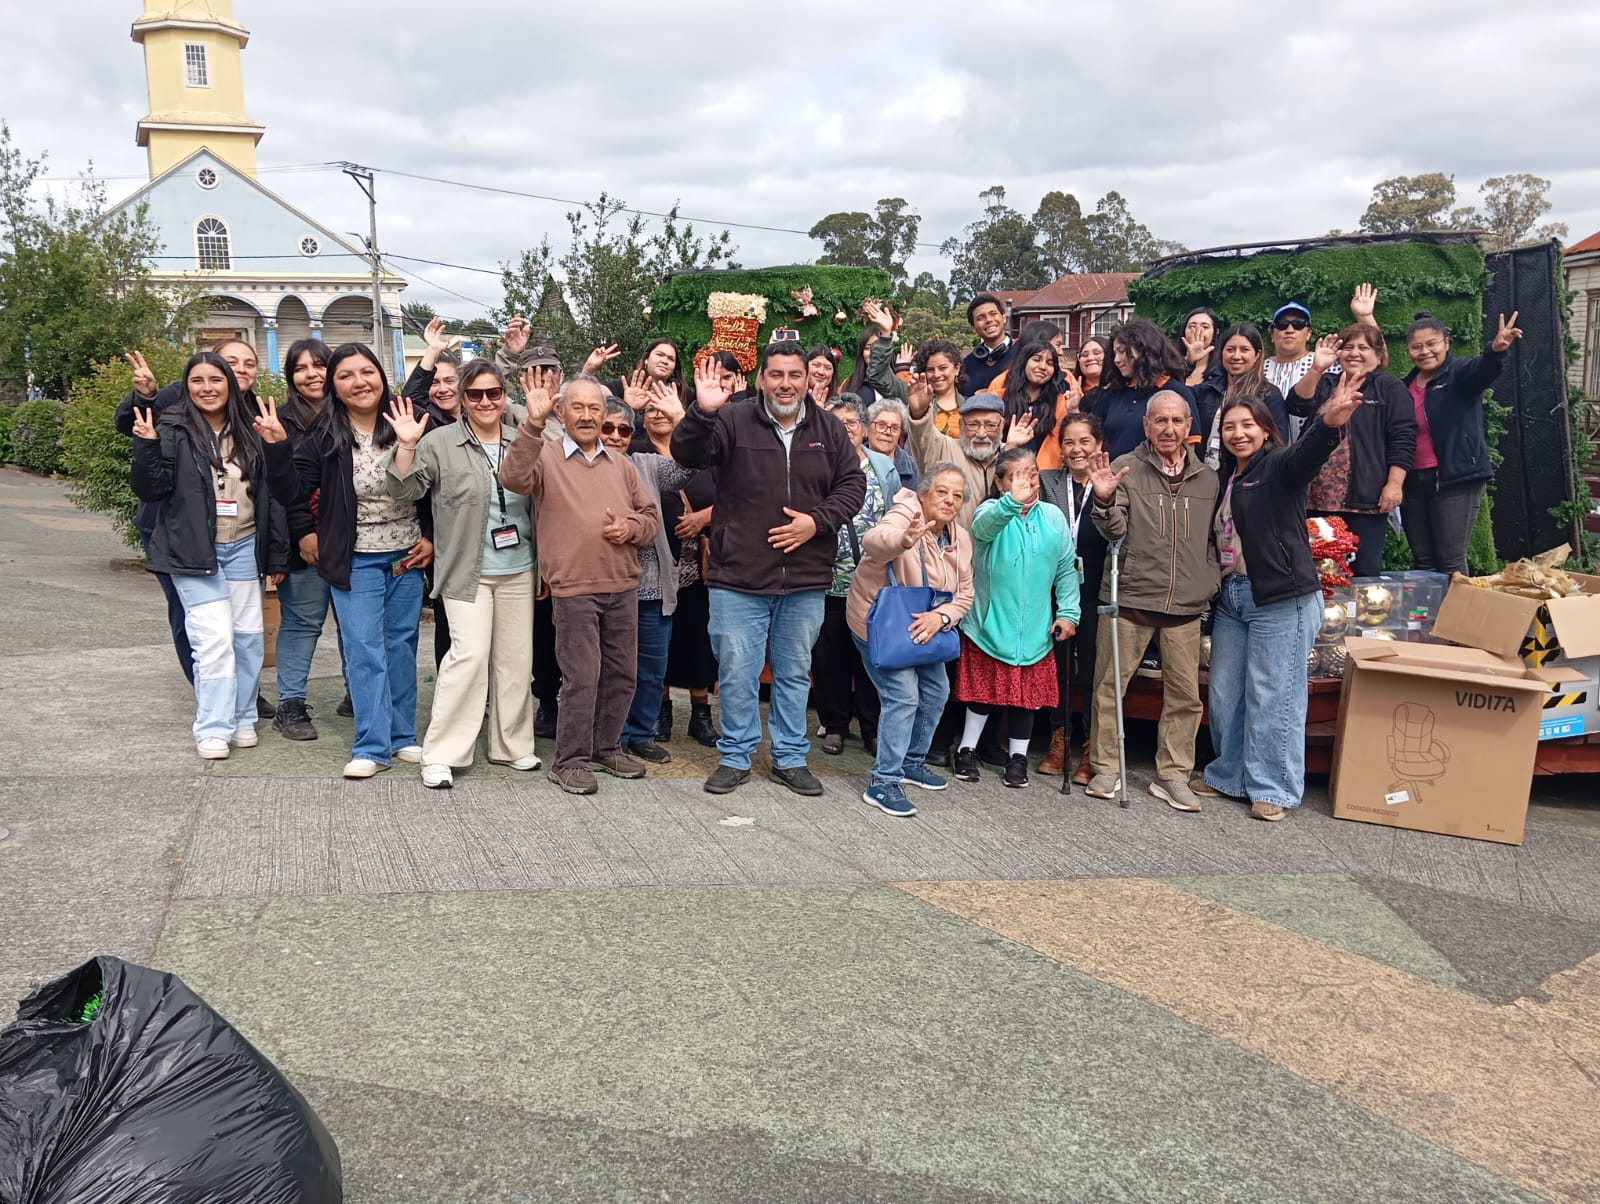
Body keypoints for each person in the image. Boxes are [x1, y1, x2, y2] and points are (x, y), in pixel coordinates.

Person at [671, 347, 866, 796]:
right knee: (737, 670)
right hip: (738, 575)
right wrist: (702, 411)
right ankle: (736, 755)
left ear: (808, 380)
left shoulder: (828, 428)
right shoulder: (733, 420)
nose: (785, 383)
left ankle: (790, 757)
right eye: (775, 374)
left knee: (795, 672)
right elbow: (687, 453)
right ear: (761, 378)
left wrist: (815, 522)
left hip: (804, 579)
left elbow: (852, 484)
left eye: (794, 375)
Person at [260, 343, 433, 779]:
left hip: (407, 556)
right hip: (355, 559)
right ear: (335, 387)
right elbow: (291, 492)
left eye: (367, 372)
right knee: (364, 650)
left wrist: (431, 537)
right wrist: (279, 448)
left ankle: (402, 736)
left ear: (381, 375)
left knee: (401, 647)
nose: (360, 382)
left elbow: (434, 490)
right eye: (346, 375)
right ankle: (372, 746)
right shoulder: (323, 436)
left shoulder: (406, 422)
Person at [1194, 383, 1362, 820]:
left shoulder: (1278, 466)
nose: (1238, 434)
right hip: (1234, 596)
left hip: (1280, 596)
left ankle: (1274, 786)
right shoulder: (1227, 477)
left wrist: (1328, 423)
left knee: (1275, 693)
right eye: (1229, 427)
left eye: (1247, 425)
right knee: (1226, 690)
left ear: (1266, 430)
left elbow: (1305, 455)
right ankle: (1228, 774)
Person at [498, 375, 660, 794]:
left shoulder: (621, 464)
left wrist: (632, 527)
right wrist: (531, 425)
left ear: (605, 414)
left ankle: (606, 747)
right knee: (582, 676)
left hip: (622, 583)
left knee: (622, 673)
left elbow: (651, 518)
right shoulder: (545, 457)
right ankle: (569, 760)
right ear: (561, 412)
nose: (587, 416)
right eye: (578, 407)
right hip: (572, 588)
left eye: (594, 409)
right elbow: (512, 478)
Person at [383, 360, 540, 789]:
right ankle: (443, 752)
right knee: (467, 657)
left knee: (515, 661)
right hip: (465, 567)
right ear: (464, 399)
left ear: (505, 396)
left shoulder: (522, 439)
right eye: (476, 394)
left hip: (518, 567)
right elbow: (404, 490)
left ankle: (512, 745)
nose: (486, 401)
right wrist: (407, 446)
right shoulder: (439, 442)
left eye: (493, 393)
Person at [129, 351, 287, 758]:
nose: (207, 388)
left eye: (215, 380)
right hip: (195, 549)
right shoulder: (172, 427)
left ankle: (244, 715)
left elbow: (275, 495)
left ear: (229, 384)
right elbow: (152, 490)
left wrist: (278, 446)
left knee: (248, 639)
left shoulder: (251, 428)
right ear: (186, 387)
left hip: (244, 547)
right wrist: (146, 448)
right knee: (213, 640)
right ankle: (213, 727)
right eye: (197, 381)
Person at [1084, 391, 1220, 811]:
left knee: (1185, 695)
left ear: (1188, 427)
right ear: (1146, 425)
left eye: (1177, 421)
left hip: (1184, 606)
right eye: (1160, 421)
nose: (1169, 429)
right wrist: (1104, 498)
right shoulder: (1126, 467)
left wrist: (1208, 581)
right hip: (1132, 597)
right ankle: (1105, 765)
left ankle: (1174, 775)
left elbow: (1216, 539)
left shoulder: (1208, 478)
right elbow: (1113, 530)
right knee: (1109, 687)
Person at [846, 465, 975, 816]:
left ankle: (910, 762)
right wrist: (904, 540)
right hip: (879, 623)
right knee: (903, 696)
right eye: (942, 492)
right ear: (924, 492)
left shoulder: (960, 537)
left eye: (957, 496)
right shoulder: (905, 512)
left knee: (936, 692)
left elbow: (965, 594)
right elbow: (876, 541)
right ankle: (883, 782)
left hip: (923, 627)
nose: (950, 501)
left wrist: (941, 617)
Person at [952, 448, 1080, 789]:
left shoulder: (1053, 517)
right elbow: (983, 530)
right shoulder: (990, 510)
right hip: (988, 625)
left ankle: (1018, 758)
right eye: (1018, 476)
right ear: (1000, 481)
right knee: (981, 694)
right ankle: (966, 751)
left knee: (1026, 698)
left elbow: (1067, 570)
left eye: (1033, 475)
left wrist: (1068, 613)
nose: (1028, 483)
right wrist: (1012, 501)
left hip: (1036, 630)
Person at [600, 390, 700, 764]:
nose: (614, 436)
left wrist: (682, 420)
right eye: (606, 427)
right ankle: (613, 737)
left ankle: (641, 734)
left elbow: (686, 469)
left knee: (652, 669)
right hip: (607, 587)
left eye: (624, 430)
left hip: (653, 587)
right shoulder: (580, 466)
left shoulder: (647, 463)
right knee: (611, 669)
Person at [1400, 308, 1523, 574]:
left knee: (1450, 561)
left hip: (1455, 480)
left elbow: (1484, 370)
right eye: (1416, 347)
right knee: (1423, 560)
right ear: (1409, 351)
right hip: (1413, 482)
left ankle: (1456, 616)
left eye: (1431, 344)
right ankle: (1430, 616)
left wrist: (1496, 350)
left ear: (1446, 342)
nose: (1425, 351)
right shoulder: (1406, 385)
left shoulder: (1460, 374)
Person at [1290, 325, 1416, 578]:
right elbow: (1296, 405)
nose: (1354, 353)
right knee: (1317, 571)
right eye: (1348, 347)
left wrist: (1394, 484)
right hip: (1314, 500)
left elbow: (1403, 437)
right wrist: (1316, 369)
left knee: (1364, 572)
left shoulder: (1388, 387)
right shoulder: (1326, 383)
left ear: (1378, 355)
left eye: (1363, 347)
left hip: (1363, 499)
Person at [268, 338, 346, 741]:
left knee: (356, 623)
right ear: (291, 377)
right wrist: (302, 534)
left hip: (354, 541)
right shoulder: (279, 420)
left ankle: (357, 693)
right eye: (301, 368)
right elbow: (282, 489)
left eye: (319, 365)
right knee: (302, 622)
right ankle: (291, 704)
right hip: (304, 543)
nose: (312, 374)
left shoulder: (352, 412)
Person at [811, 394, 897, 756]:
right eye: (836, 422)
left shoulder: (883, 467)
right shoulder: (814, 464)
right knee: (830, 659)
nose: (845, 428)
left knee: (870, 660)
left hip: (872, 585)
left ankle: (872, 727)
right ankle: (834, 725)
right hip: (827, 581)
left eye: (851, 422)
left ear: (863, 429)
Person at [641, 379, 721, 747]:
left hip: (699, 564)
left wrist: (703, 518)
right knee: (660, 642)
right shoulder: (635, 454)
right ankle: (662, 710)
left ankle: (701, 714)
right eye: (650, 408)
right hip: (656, 564)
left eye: (665, 406)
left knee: (699, 639)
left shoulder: (701, 455)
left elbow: (734, 495)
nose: (658, 413)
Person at [1038, 412, 1109, 784]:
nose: (1076, 448)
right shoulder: (1047, 481)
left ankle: (1090, 746)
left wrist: (1104, 495)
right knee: (1058, 667)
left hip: (1096, 586)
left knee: (1093, 670)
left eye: (1085, 441)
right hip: (1053, 587)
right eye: (1069, 442)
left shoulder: (1109, 483)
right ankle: (1058, 738)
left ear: (1099, 445)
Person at [1192, 323, 1290, 470]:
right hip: (1204, 477)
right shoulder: (1208, 389)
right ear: (1222, 353)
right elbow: (1174, 396)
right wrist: (1189, 364)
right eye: (1230, 350)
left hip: (1247, 478)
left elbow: (1277, 443)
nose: (1236, 356)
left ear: (1257, 355)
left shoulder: (1269, 395)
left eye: (1244, 350)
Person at [1098, 319, 1201, 458]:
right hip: (1113, 476)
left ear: (1144, 349)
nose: (1117, 359)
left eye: (1122, 351)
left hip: (1159, 478)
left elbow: (1189, 450)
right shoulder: (1112, 394)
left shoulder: (1178, 392)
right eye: (1115, 353)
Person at [864, 302, 967, 436]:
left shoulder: (970, 406)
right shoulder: (913, 396)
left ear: (956, 369)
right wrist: (885, 334)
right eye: (930, 369)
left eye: (943, 368)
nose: (936, 374)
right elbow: (878, 376)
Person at [994, 339, 1064, 453]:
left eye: (1050, 363)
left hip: (1046, 469)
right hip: (1004, 464)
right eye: (1036, 360)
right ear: (1023, 362)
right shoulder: (998, 398)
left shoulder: (1060, 402)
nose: (1043, 367)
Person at [400, 316, 463, 428]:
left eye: (449, 381)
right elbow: (410, 400)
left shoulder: (478, 414)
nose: (443, 389)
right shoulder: (426, 420)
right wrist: (433, 350)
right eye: (434, 383)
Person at [962, 293, 1014, 394]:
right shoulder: (966, 365)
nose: (989, 320)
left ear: (1003, 317)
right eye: (981, 318)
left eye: (993, 314)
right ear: (973, 327)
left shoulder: (1024, 354)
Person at [864, 398, 918, 492]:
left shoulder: (912, 469)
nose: (888, 432)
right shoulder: (852, 461)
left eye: (894, 428)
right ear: (867, 427)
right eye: (881, 425)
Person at [1179, 307, 1224, 388]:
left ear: (1216, 332)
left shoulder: (1223, 370)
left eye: (1205, 327)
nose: (1198, 331)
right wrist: (1188, 362)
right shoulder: (1169, 364)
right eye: (1192, 326)